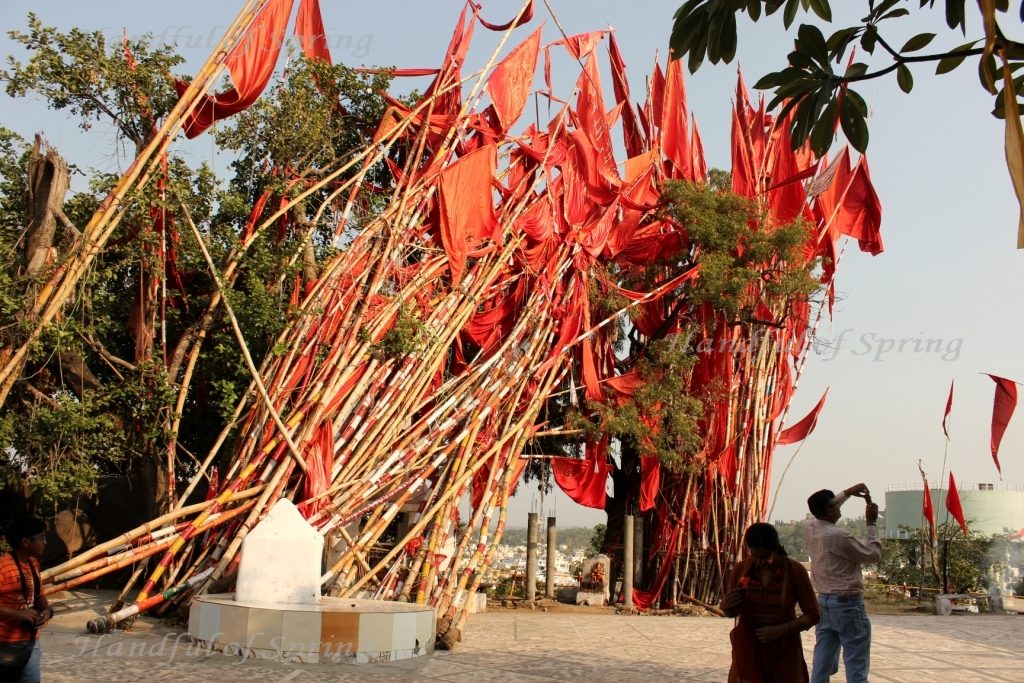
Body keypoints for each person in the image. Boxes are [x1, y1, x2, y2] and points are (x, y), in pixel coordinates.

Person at [721, 522, 820, 683]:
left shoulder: (795, 571)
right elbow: (731, 612)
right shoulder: (741, 571)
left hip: (784, 649)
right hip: (749, 648)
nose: (760, 562)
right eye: (755, 556)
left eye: (765, 557)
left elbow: (813, 615)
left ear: (775, 549)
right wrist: (725, 606)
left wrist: (780, 630)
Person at [805, 484, 882, 683]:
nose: (839, 508)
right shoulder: (839, 536)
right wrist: (871, 522)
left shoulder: (811, 528)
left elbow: (823, 509)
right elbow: (873, 555)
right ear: (830, 511)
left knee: (823, 656)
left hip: (824, 602)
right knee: (856, 661)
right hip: (848, 605)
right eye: (836, 506)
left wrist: (847, 493)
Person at [0, 517, 51, 683]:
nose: (45, 542)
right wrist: (20, 614)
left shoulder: (33, 563)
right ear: (26, 542)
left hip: (30, 642)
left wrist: (47, 610)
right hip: (5, 644)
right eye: (41, 538)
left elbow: (39, 593)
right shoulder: (3, 567)